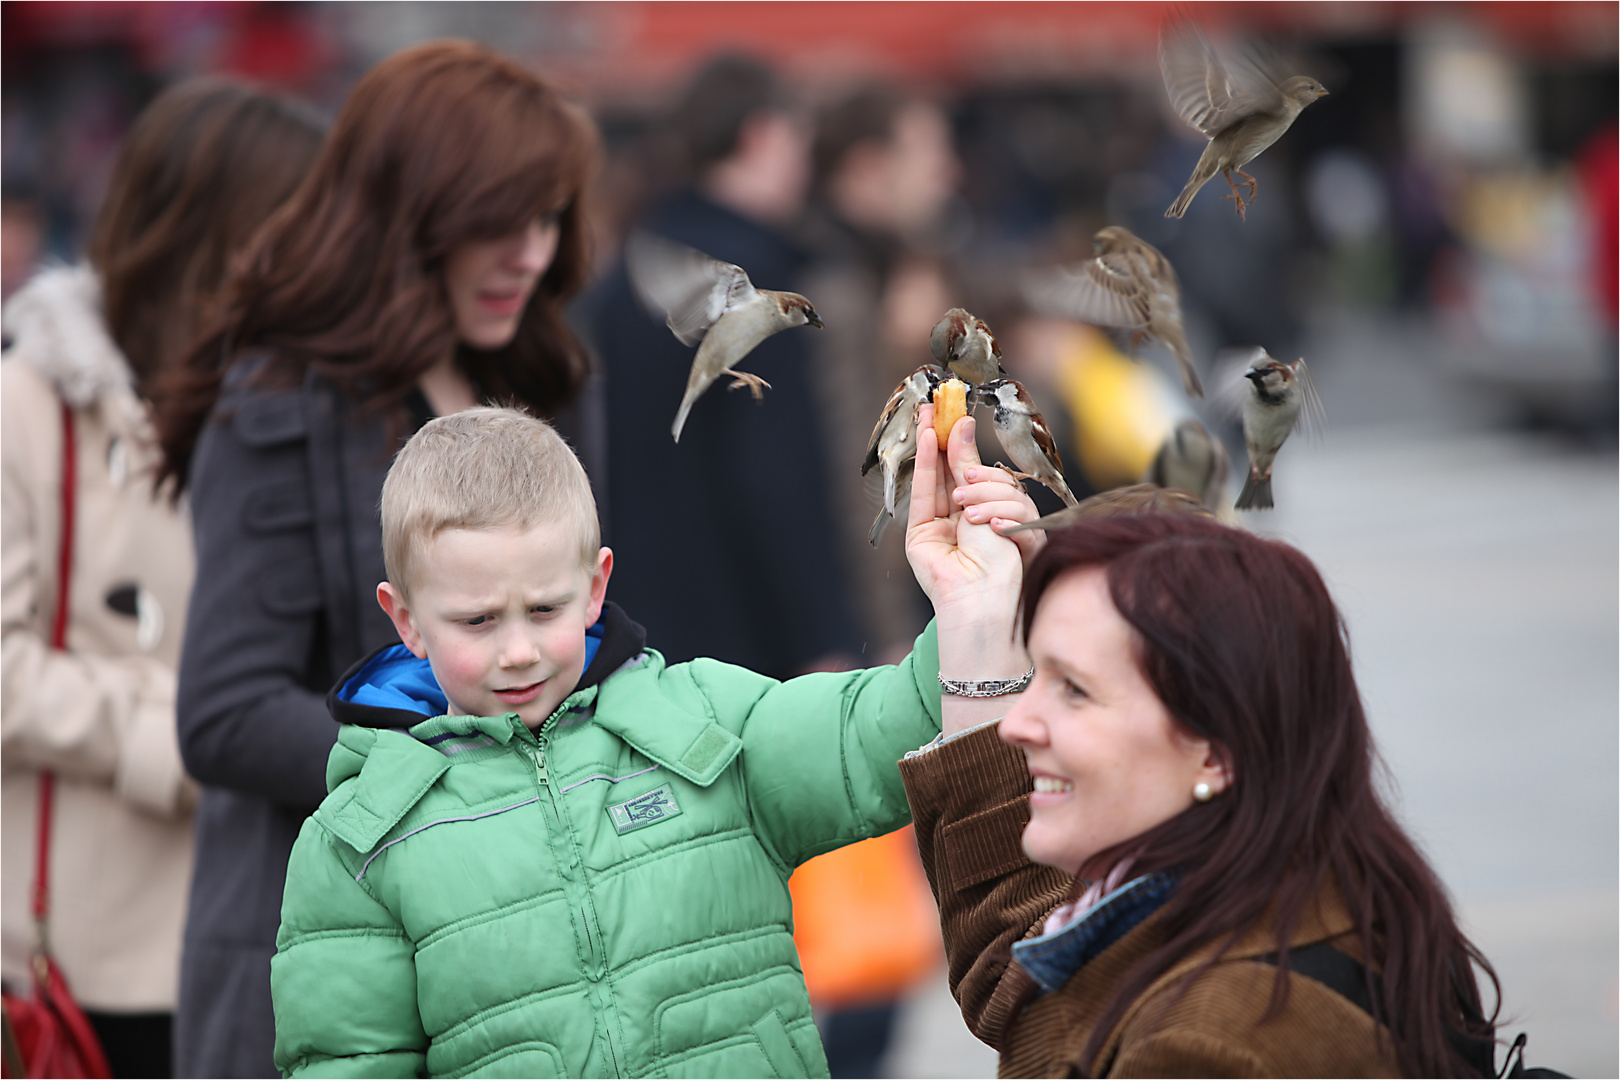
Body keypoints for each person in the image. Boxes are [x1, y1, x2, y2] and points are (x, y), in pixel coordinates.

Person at [269, 403, 1039, 1078]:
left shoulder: (706, 720)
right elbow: (347, 1063)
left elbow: (883, 727)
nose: (517, 650)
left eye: (544, 610)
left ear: (596, 585)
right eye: (477, 621)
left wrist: (975, 607)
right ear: (405, 621)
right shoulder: (357, 843)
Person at [151, 42, 597, 1077]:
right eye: (499, 220)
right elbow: (223, 713)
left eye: (547, 219)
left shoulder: (554, 377)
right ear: (408, 213)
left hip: (522, 947)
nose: (530, 253)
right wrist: (455, 776)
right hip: (322, 948)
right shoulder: (274, 403)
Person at [897, 502, 1507, 1076]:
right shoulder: (1303, 889)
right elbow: (1029, 980)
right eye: (1039, 674)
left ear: (1215, 754)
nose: (1020, 724)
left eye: (1074, 690)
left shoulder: (1198, 1049)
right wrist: (977, 614)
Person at [1, 80, 323, 1077]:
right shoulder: (28, 404)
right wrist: (180, 729)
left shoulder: (293, 408)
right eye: (290, 229)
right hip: (88, 942)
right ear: (213, 235)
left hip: (262, 923)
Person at [579, 54, 859, 680]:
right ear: (761, 135)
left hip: (638, 613)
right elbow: (775, 471)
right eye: (799, 143)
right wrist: (823, 634)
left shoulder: (635, 265)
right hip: (750, 633)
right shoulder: (756, 280)